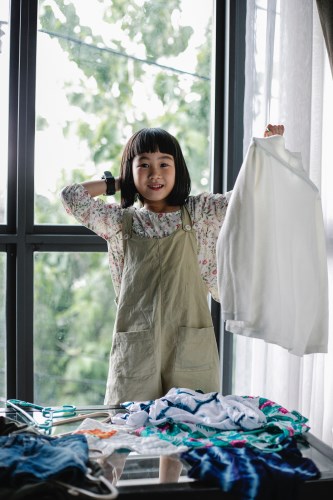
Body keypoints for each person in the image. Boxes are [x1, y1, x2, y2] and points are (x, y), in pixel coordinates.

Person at [61, 123, 284, 482]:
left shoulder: (196, 214)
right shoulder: (122, 222)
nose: (155, 173)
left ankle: (169, 491)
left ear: (178, 169)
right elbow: (72, 196)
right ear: (130, 172)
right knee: (119, 432)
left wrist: (265, 150)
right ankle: (104, 489)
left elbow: (241, 197)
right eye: (143, 165)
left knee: (183, 434)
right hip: (137, 343)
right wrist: (115, 182)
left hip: (188, 339)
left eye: (164, 163)